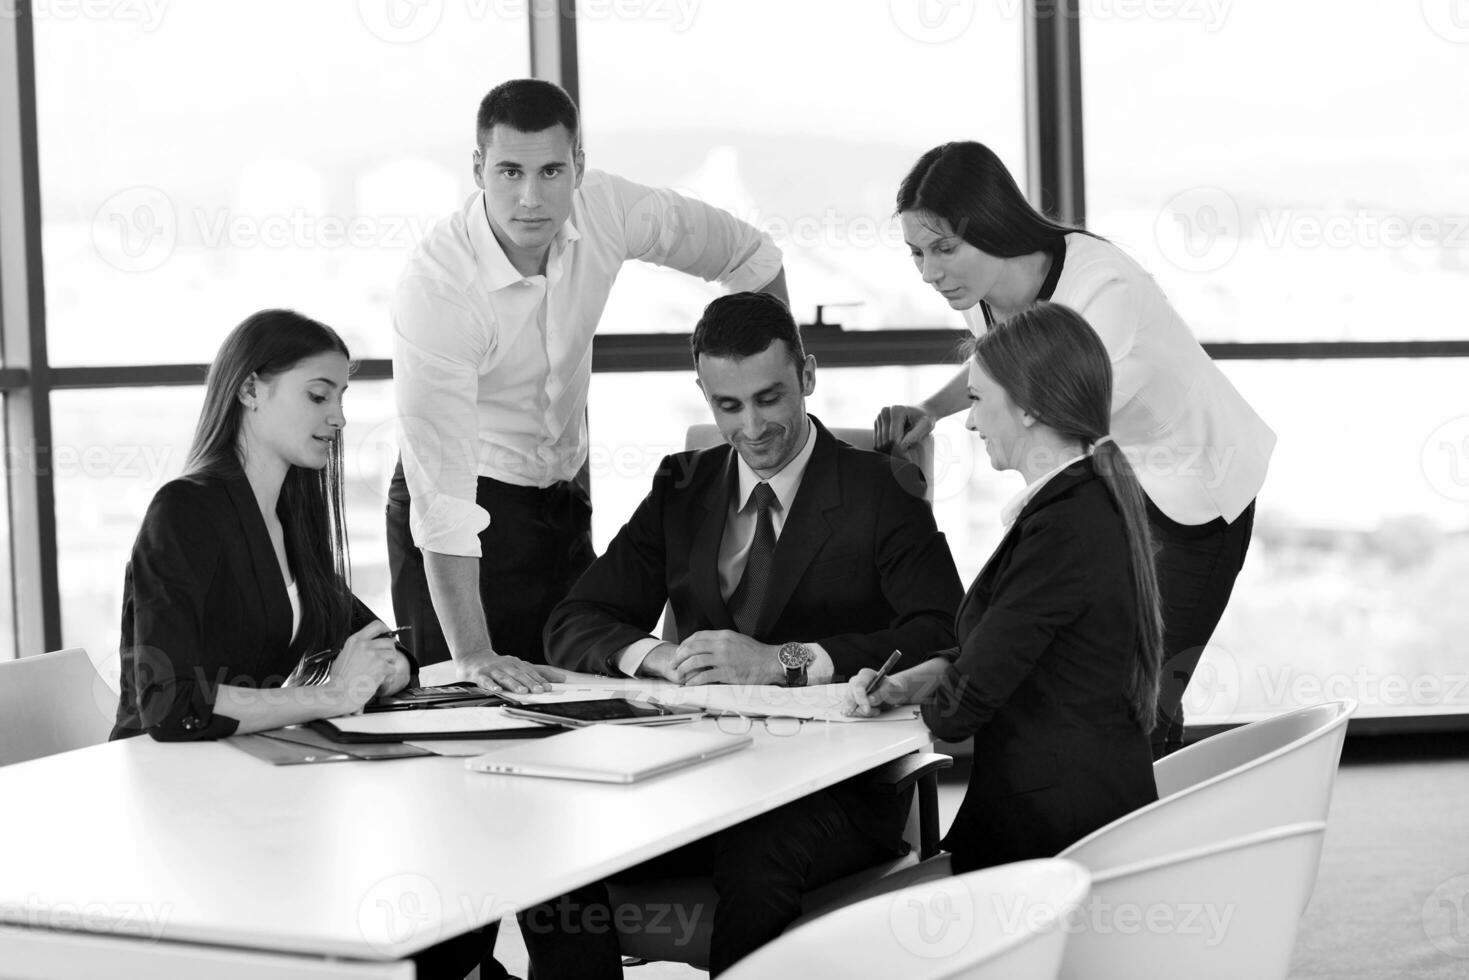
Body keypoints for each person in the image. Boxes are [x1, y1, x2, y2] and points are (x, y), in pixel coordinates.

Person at [522, 291, 964, 977]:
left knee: (756, 855)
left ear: (807, 376)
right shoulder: (680, 486)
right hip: (697, 778)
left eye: (770, 398)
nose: (753, 427)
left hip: (832, 793)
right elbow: (575, 621)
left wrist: (782, 661)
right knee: (550, 835)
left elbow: (941, 633)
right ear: (703, 394)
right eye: (728, 406)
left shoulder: (883, 490)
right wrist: (661, 657)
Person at [113, 309, 491, 980]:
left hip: (251, 780)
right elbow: (168, 708)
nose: (339, 416)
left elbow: (382, 643)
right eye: (319, 394)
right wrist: (333, 691)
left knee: (456, 858)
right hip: (176, 799)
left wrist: (380, 669)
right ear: (250, 391)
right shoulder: (187, 511)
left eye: (344, 395)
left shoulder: (294, 514)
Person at [388, 78, 788, 697]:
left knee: (583, 709)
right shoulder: (438, 287)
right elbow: (440, 498)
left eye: (551, 170)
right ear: (478, 168)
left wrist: (775, 390)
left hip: (559, 504)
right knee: (466, 724)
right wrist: (472, 654)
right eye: (509, 171)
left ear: (578, 164)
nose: (530, 197)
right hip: (459, 514)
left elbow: (752, 257)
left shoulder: (608, 208)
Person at [875, 141, 1275, 756]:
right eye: (917, 254)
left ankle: (1153, 836)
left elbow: (1059, 410)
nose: (930, 272)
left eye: (945, 248)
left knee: (1144, 690)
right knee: (1101, 685)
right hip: (1118, 484)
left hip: (1194, 485)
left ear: (993, 225)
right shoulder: (980, 291)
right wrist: (932, 410)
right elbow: (999, 371)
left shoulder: (1099, 284)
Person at [850, 302, 1162, 872]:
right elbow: (1001, 651)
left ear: (1029, 407)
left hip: (1053, 844)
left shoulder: (1064, 529)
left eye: (976, 401)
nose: (969, 423)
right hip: (1071, 815)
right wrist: (906, 685)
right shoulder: (1085, 499)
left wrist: (933, 694)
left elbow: (960, 711)